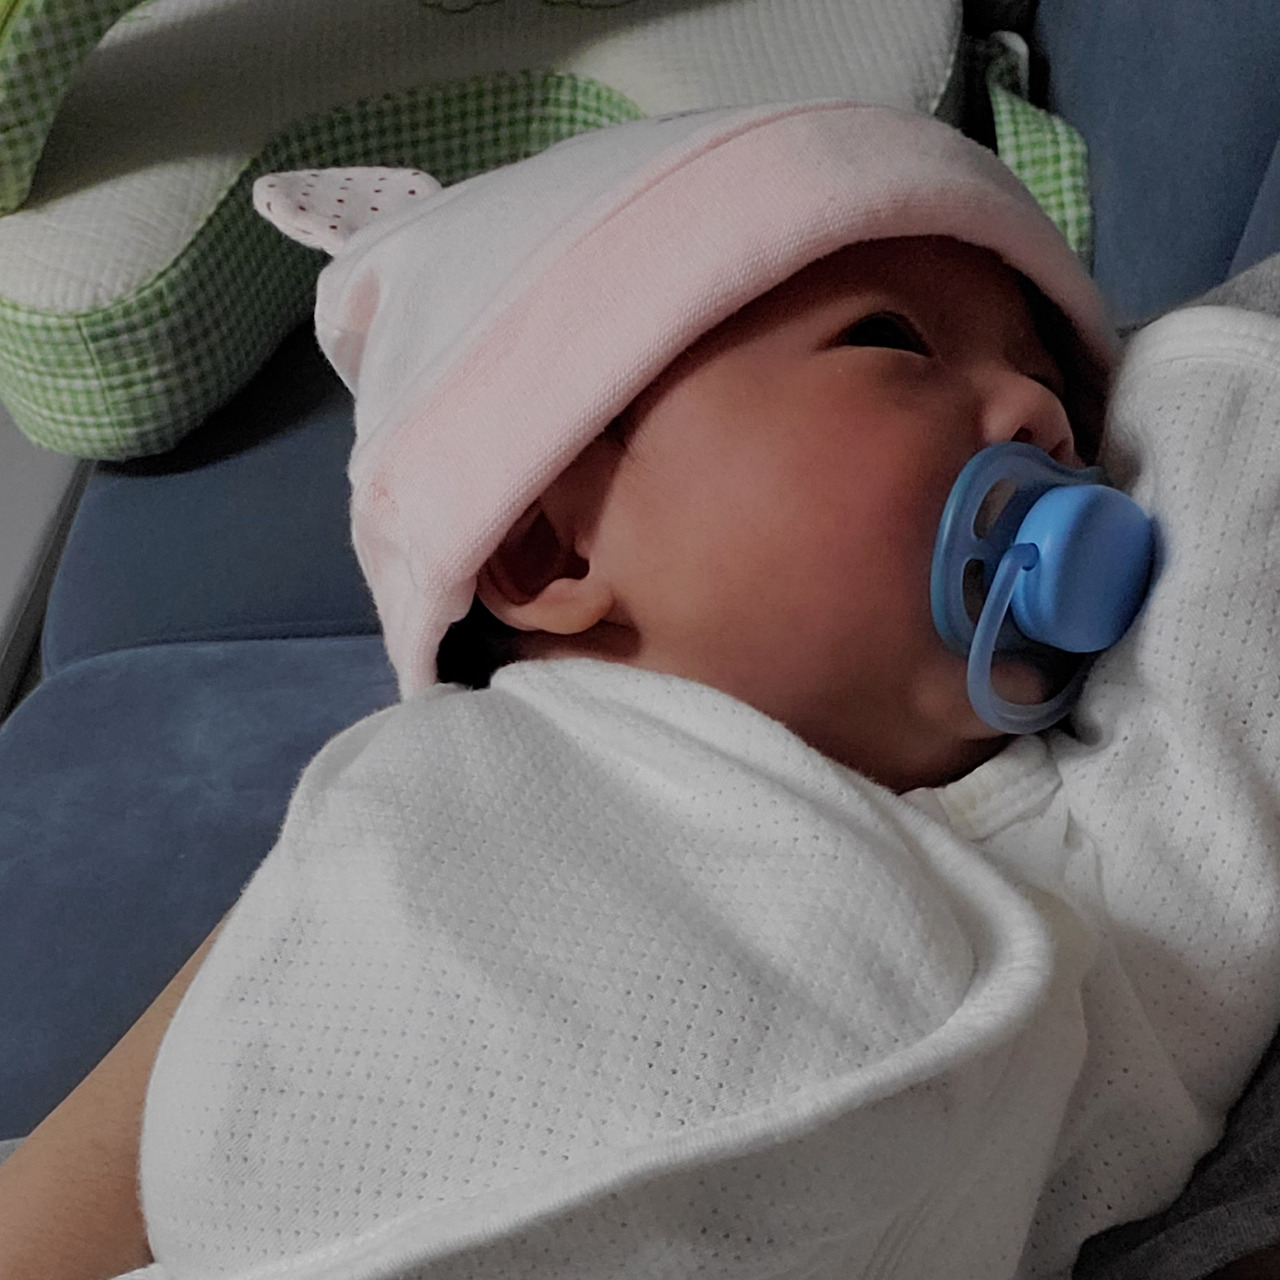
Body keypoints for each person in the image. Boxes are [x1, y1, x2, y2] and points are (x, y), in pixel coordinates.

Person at [3, 99, 1280, 1280]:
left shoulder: (1069, 889)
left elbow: (1207, 830)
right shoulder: (447, 811)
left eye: (1063, 396)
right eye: (889, 337)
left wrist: (1214, 394)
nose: (1042, 418)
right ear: (546, 550)